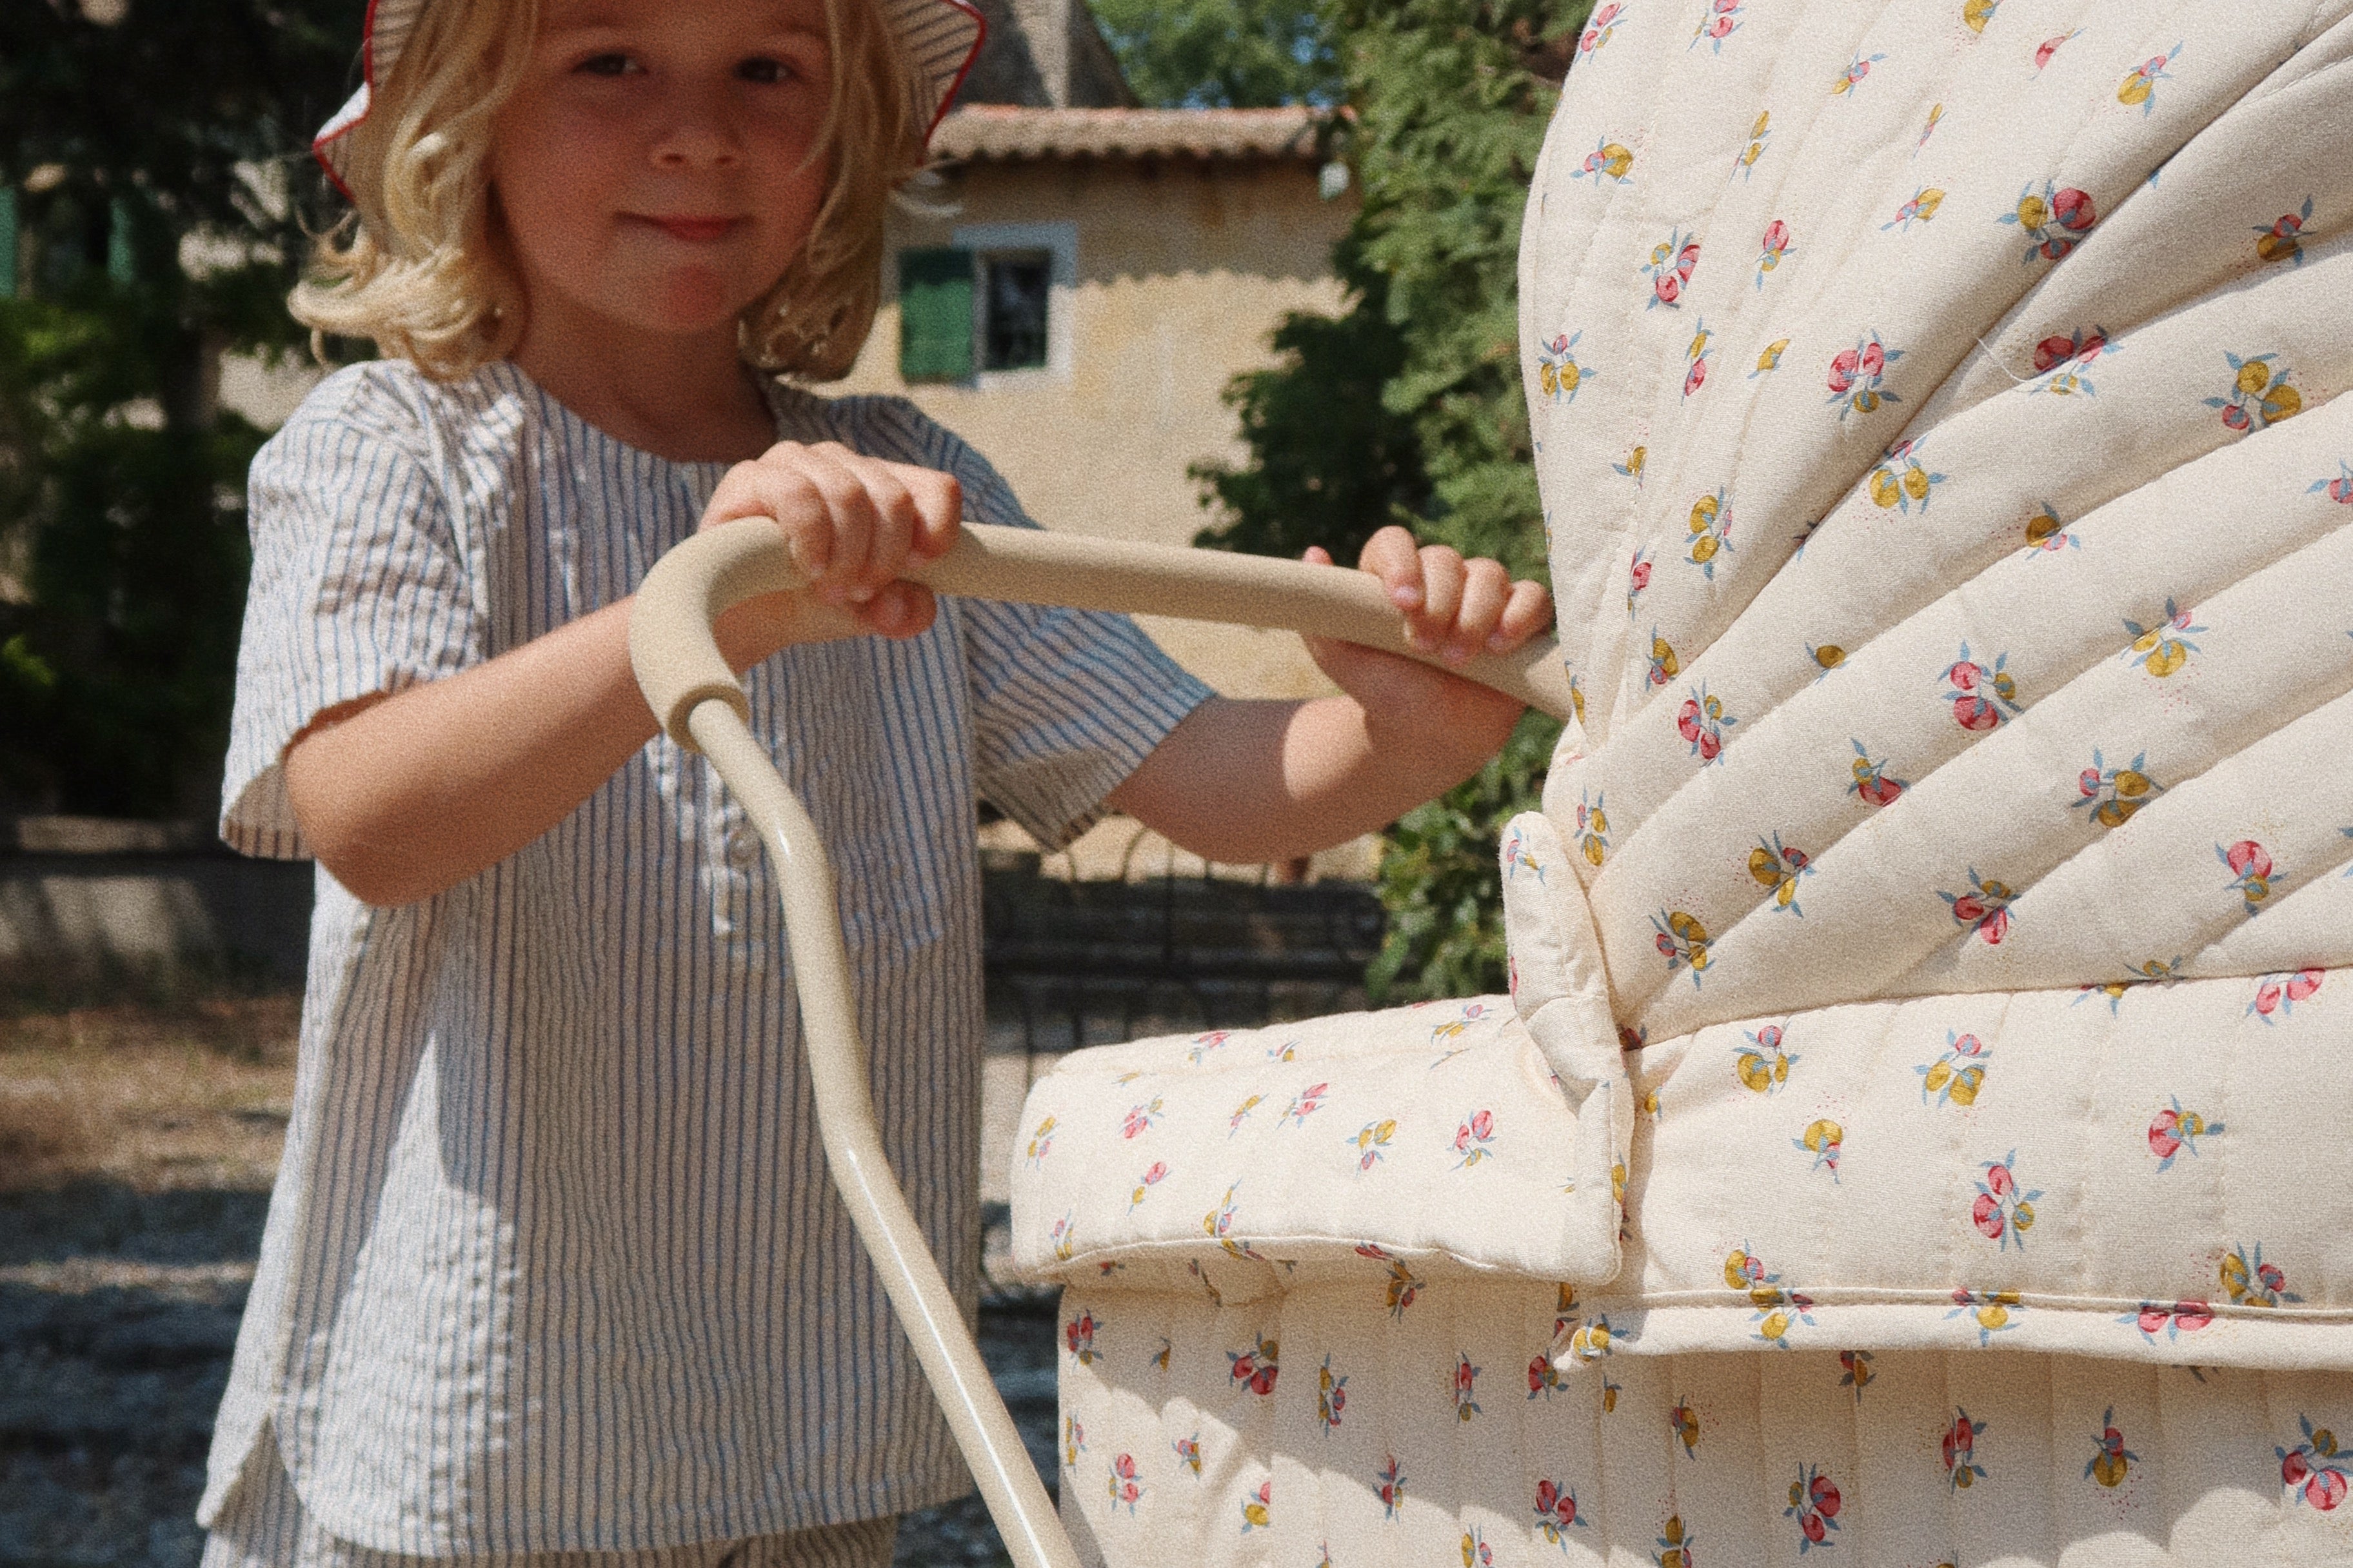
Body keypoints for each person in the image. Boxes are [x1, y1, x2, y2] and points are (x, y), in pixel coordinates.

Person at [196, 1, 1552, 1565]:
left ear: (839, 149)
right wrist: (715, 602)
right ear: (465, 119)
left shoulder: (915, 495)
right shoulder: (393, 446)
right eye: (608, 59)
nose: (699, 127)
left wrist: (1402, 734)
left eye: (768, 70)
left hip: (812, 1431)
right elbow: (371, 818)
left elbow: (1214, 776)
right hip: (470, 1431)